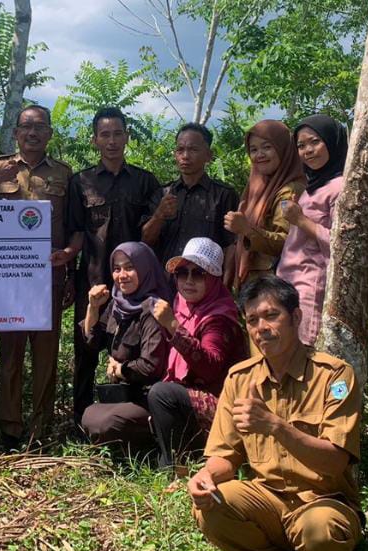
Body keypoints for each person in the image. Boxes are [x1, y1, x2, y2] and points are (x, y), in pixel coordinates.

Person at [189, 276, 362, 551]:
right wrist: (205, 476)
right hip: (267, 501)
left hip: (323, 501)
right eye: (252, 320)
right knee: (210, 505)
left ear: (296, 317)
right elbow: (225, 456)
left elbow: (335, 461)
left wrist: (275, 425)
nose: (261, 328)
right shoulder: (240, 379)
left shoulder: (334, 376)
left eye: (271, 316)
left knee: (322, 533)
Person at [0, 105, 76, 449]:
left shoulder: (63, 173)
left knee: (46, 357)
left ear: (49, 134)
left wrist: (70, 262)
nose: (32, 133)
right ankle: (9, 429)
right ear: (16, 132)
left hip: (49, 277)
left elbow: (73, 227)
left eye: (40, 127)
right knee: (10, 356)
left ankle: (40, 429)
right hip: (7, 280)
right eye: (26, 127)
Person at [65, 107, 162, 428]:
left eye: (118, 133)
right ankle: (80, 419)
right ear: (94, 140)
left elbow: (153, 232)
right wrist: (68, 276)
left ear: (127, 137)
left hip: (133, 284)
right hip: (93, 282)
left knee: (131, 350)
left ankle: (129, 418)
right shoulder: (81, 182)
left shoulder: (146, 182)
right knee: (86, 349)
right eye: (104, 135)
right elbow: (76, 234)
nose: (112, 141)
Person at [146, 238, 248, 470]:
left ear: (213, 279)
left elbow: (211, 367)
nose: (189, 281)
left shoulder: (219, 318)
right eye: (183, 273)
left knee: (162, 394)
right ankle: (175, 457)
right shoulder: (182, 306)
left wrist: (173, 326)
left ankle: (177, 467)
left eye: (199, 274)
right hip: (189, 394)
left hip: (222, 406)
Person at [78, 242, 173, 446]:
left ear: (145, 269)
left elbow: (151, 367)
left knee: (107, 423)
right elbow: (93, 341)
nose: (122, 275)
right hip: (122, 394)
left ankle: (152, 437)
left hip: (147, 396)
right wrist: (92, 308)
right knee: (88, 416)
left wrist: (120, 370)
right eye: (117, 269)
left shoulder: (153, 309)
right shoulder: (118, 303)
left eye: (130, 268)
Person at [276, 114, 347, 347]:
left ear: (332, 142)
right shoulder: (313, 186)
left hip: (311, 286)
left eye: (315, 141)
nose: (308, 150)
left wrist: (301, 220)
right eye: (301, 145)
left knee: (305, 354)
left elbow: (343, 245)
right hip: (289, 281)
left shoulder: (339, 186)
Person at [142, 123, 240, 264]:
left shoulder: (223, 195)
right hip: (165, 279)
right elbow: (146, 240)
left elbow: (231, 245)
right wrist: (159, 215)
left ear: (208, 155)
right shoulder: (162, 194)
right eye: (180, 150)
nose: (185, 156)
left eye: (193, 149)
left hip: (205, 281)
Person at [225, 120, 304, 291]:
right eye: (253, 150)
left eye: (267, 147)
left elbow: (287, 242)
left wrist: (247, 229)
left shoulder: (290, 191)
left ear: (283, 148)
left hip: (274, 288)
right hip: (253, 284)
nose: (259, 154)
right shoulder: (256, 187)